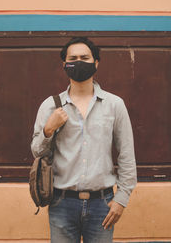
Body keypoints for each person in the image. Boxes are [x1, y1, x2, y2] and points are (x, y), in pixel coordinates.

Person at [31, 37, 137, 243]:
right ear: (64, 64)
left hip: (103, 204)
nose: (79, 62)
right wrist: (48, 129)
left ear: (96, 63)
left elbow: (127, 154)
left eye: (85, 57)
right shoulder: (50, 106)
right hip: (61, 202)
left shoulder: (114, 104)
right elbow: (36, 152)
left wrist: (121, 200)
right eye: (73, 58)